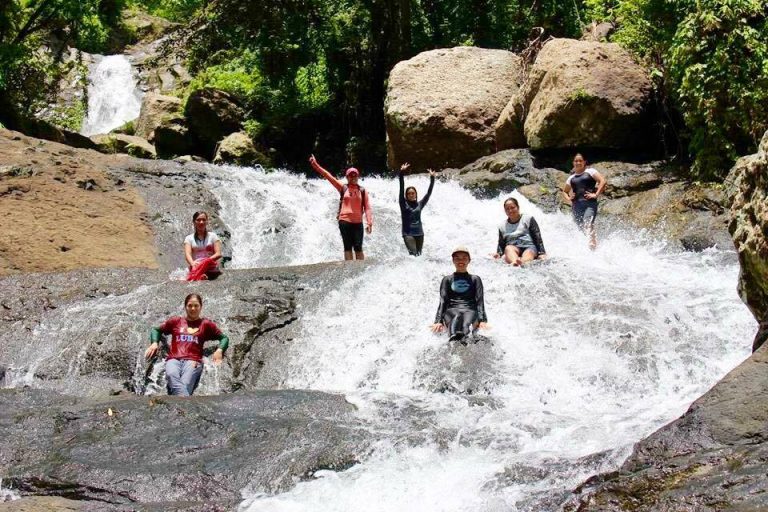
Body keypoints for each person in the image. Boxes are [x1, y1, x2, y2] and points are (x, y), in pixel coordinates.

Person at [145, 293, 229, 396]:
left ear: (201, 307)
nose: (193, 308)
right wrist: (154, 343)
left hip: (193, 361)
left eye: (196, 305)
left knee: (186, 383)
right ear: (185, 307)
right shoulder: (176, 321)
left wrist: (219, 350)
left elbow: (224, 338)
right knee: (171, 375)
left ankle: (180, 406)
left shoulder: (206, 324)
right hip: (174, 359)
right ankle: (185, 405)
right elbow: (156, 330)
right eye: (190, 305)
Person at [309, 154, 373, 260]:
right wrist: (316, 165)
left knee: (358, 247)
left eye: (355, 175)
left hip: (358, 222)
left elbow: (367, 208)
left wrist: (369, 222)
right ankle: (350, 272)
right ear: (347, 177)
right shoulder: (343, 187)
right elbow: (328, 176)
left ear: (358, 176)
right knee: (347, 247)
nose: (353, 177)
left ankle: (361, 270)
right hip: (344, 221)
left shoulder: (362, 190)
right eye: (350, 175)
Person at [431, 246, 489, 343]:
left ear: (469, 260)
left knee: (466, 320)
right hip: (451, 310)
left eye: (464, 258)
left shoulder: (475, 279)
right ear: (453, 261)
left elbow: (479, 300)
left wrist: (483, 320)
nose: (460, 260)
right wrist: (438, 321)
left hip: (470, 309)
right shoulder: (447, 279)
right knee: (456, 316)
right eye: (457, 258)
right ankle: (454, 337)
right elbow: (443, 301)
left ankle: (463, 337)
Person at [562, 153, 607, 250]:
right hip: (576, 206)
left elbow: (602, 181)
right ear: (573, 163)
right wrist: (569, 198)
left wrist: (596, 194)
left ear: (584, 162)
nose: (578, 163)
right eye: (576, 161)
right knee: (580, 228)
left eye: (580, 161)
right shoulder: (571, 178)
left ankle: (593, 247)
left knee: (588, 223)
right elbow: (564, 191)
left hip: (589, 204)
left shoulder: (590, 171)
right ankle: (584, 247)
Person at [492, 197, 547, 266]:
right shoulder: (502, 226)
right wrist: (498, 254)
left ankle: (522, 262)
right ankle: (515, 262)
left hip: (529, 247)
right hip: (513, 248)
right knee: (508, 248)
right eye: (507, 209)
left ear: (518, 207)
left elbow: (537, 236)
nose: (510, 211)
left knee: (529, 252)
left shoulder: (528, 219)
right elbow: (501, 243)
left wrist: (542, 253)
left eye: (512, 207)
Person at [398, 163, 436, 256]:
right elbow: (401, 187)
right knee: (413, 255)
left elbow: (428, 194)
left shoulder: (420, 204)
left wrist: (432, 178)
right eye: (409, 193)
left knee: (419, 256)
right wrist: (402, 172)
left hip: (419, 233)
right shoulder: (403, 204)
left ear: (415, 194)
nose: (411, 195)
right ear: (406, 195)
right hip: (408, 234)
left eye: (413, 193)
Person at [184, 211, 223, 281]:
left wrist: (205, 262)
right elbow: (187, 254)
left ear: (207, 222)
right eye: (198, 220)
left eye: (203, 220)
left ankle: (201, 276)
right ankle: (200, 276)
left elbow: (218, 254)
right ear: (194, 222)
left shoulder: (213, 236)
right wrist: (193, 264)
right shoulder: (189, 238)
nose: (201, 222)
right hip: (196, 266)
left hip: (211, 266)